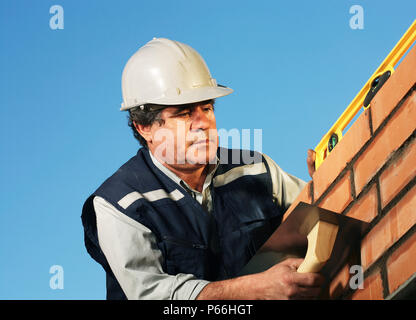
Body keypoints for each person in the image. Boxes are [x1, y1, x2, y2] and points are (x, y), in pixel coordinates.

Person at [81, 38, 323, 300]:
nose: (203, 122)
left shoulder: (255, 170)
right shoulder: (119, 204)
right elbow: (153, 296)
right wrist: (256, 289)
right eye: (184, 113)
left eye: (207, 107)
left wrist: (326, 179)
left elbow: (321, 212)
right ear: (145, 127)